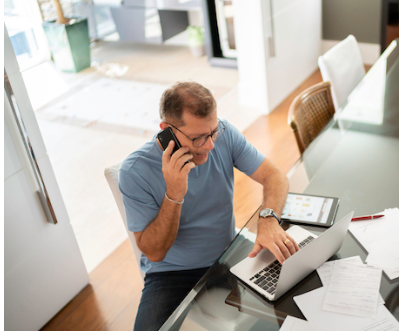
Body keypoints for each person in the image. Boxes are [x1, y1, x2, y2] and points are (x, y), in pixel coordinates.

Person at [118, 81, 300, 331]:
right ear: (166, 130)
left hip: (229, 255)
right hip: (171, 274)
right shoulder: (135, 171)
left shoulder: (224, 135)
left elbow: (275, 176)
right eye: (198, 138)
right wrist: (174, 194)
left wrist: (268, 219)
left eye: (212, 132)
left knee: (297, 294)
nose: (210, 145)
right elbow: (155, 253)